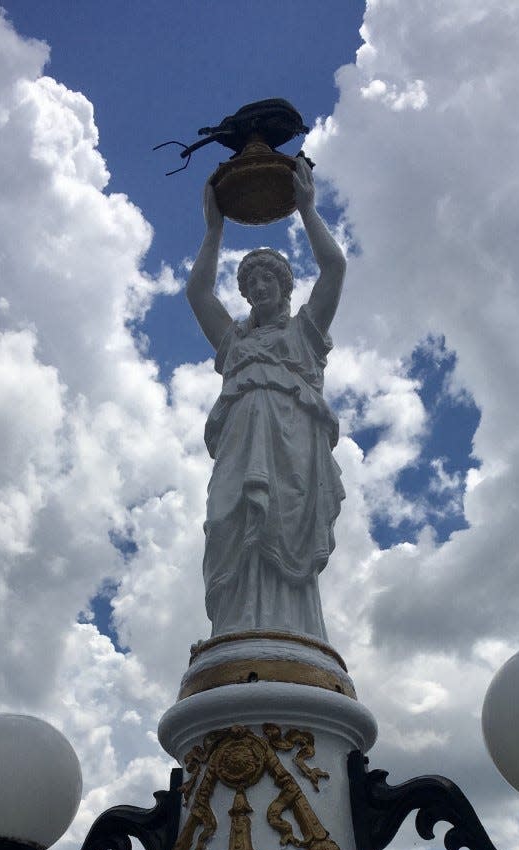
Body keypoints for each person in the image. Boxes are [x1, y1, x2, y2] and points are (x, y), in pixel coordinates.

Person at [186, 161, 346, 642]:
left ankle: (291, 634)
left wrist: (306, 209)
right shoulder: (233, 342)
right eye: (250, 283)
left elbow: (335, 267)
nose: (257, 288)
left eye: (267, 280)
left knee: (278, 520)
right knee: (229, 523)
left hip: (290, 452)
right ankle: (234, 633)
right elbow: (197, 292)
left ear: (285, 286)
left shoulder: (305, 332)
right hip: (240, 447)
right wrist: (214, 230)